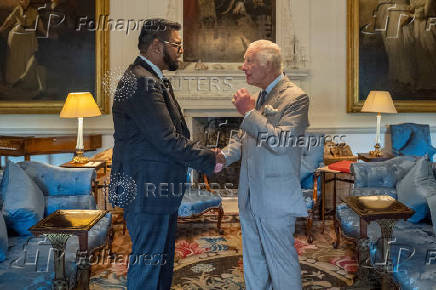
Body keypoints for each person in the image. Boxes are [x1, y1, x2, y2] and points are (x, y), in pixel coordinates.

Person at [110, 18, 222, 290]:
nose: (180, 50)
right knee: (148, 262)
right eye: (177, 45)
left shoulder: (150, 78)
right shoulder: (141, 82)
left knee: (159, 259)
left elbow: (172, 135)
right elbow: (167, 139)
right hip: (146, 187)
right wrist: (210, 158)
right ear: (157, 46)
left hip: (155, 187)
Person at [216, 39, 309, 289]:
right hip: (249, 194)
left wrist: (248, 113)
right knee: (254, 260)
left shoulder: (296, 97)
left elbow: (281, 142)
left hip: (275, 199)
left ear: (267, 64)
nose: (243, 67)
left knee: (281, 261)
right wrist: (222, 157)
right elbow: (246, 139)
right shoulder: (260, 97)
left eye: (248, 61)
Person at [0, 0, 46, 92]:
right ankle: (13, 81)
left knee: (28, 58)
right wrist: (1, 29)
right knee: (15, 59)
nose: (25, 2)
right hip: (17, 36)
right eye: (22, 0)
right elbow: (9, 21)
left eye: (26, 0)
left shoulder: (33, 11)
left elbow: (39, 24)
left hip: (28, 36)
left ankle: (26, 82)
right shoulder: (17, 10)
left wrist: (45, 32)